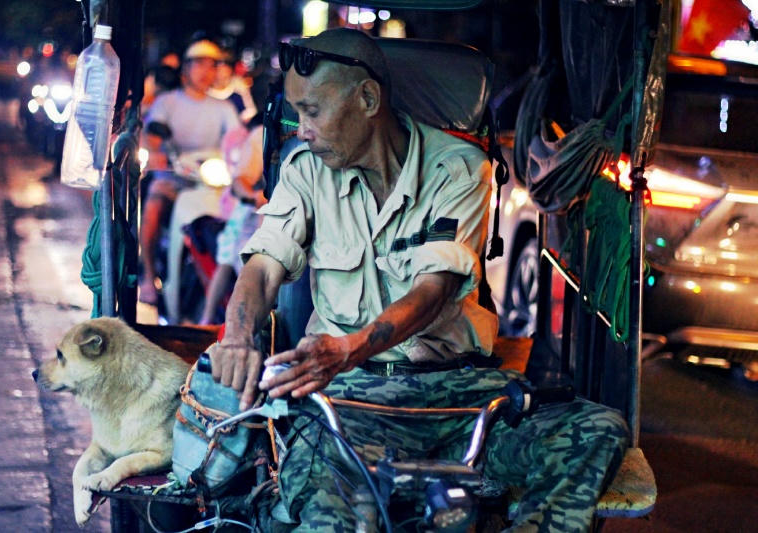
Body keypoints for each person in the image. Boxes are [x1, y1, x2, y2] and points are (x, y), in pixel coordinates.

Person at [209, 28, 628, 532]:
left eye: (313, 112)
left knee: (597, 429)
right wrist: (236, 336)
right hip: (348, 402)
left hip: (462, 400)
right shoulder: (307, 172)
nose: (301, 130)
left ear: (367, 99)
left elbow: (433, 291)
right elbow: (262, 267)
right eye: (297, 113)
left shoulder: (458, 168)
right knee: (318, 502)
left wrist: (345, 349)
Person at [138, 39, 245, 304]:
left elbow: (237, 140)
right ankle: (149, 276)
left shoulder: (225, 108)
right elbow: (152, 136)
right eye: (199, 65)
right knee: (154, 200)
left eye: (211, 66)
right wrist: (157, 152)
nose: (205, 72)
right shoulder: (167, 102)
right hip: (176, 177)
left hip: (210, 180)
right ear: (185, 69)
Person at [198, 121, 265, 325]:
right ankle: (208, 317)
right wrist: (256, 197)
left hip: (272, 212)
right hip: (252, 209)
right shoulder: (261, 134)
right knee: (230, 258)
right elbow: (240, 180)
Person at [208, 48, 258, 124]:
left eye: (226, 66)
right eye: (218, 66)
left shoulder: (238, 85)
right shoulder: (205, 89)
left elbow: (251, 110)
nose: (222, 71)